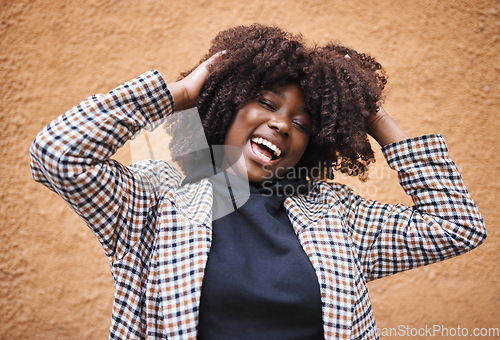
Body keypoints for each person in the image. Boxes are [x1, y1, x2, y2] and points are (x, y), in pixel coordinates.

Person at [30, 24, 486, 339]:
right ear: (227, 105)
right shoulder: (154, 201)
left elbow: (457, 226)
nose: (283, 125)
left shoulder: (337, 216)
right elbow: (57, 154)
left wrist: (376, 116)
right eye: (266, 103)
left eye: (304, 124)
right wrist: (182, 95)